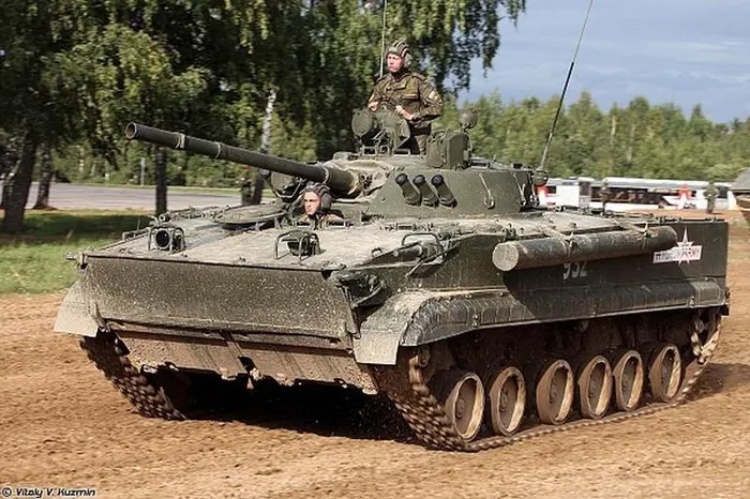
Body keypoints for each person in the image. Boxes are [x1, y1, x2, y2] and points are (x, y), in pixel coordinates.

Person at [367, 40, 443, 154]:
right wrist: (374, 108)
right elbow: (371, 106)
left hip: (416, 140)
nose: (391, 62)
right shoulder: (382, 83)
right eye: (389, 58)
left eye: (395, 58)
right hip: (390, 139)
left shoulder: (417, 82)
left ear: (405, 61)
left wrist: (412, 116)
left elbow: (437, 107)